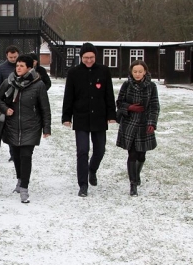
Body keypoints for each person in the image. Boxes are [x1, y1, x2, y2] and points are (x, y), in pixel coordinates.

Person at [62, 42, 116, 197]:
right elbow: (69, 96)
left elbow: (109, 94)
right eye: (86, 58)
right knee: (82, 151)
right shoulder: (74, 73)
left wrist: (111, 115)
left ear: (96, 57)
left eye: (91, 57)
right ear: (81, 57)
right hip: (81, 117)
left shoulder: (104, 71)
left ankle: (92, 169)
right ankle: (83, 184)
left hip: (99, 117)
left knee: (100, 150)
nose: (89, 60)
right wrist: (66, 117)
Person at [0, 55, 52, 203]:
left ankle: (24, 188)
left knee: (26, 156)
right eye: (17, 65)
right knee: (16, 155)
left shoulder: (38, 85)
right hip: (12, 125)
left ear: (29, 68)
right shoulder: (9, 81)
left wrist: (47, 128)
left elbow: (45, 108)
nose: (18, 68)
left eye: (21, 66)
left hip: (31, 126)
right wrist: (6, 109)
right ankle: (20, 180)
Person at [115, 60, 160, 196]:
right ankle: (133, 184)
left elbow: (154, 106)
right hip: (129, 124)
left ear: (145, 72)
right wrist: (129, 107)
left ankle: (137, 174)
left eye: (140, 71)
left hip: (144, 124)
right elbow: (119, 102)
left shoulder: (151, 86)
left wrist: (152, 123)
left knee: (142, 155)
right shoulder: (126, 85)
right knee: (132, 154)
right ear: (131, 72)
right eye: (135, 72)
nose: (137, 74)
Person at [0, 45, 21, 162]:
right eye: (11, 57)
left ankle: (20, 151)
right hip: (7, 102)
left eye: (15, 57)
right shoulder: (2, 68)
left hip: (22, 101)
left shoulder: (22, 66)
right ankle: (13, 153)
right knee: (10, 129)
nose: (13, 59)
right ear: (7, 56)